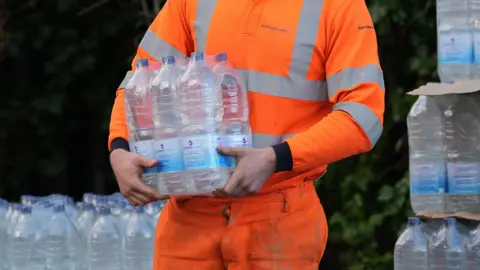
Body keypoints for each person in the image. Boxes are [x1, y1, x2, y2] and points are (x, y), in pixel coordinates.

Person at [108, 0, 385, 268]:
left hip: (279, 221)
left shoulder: (338, 6)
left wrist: (276, 158)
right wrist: (119, 148)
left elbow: (364, 117)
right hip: (189, 218)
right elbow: (140, 79)